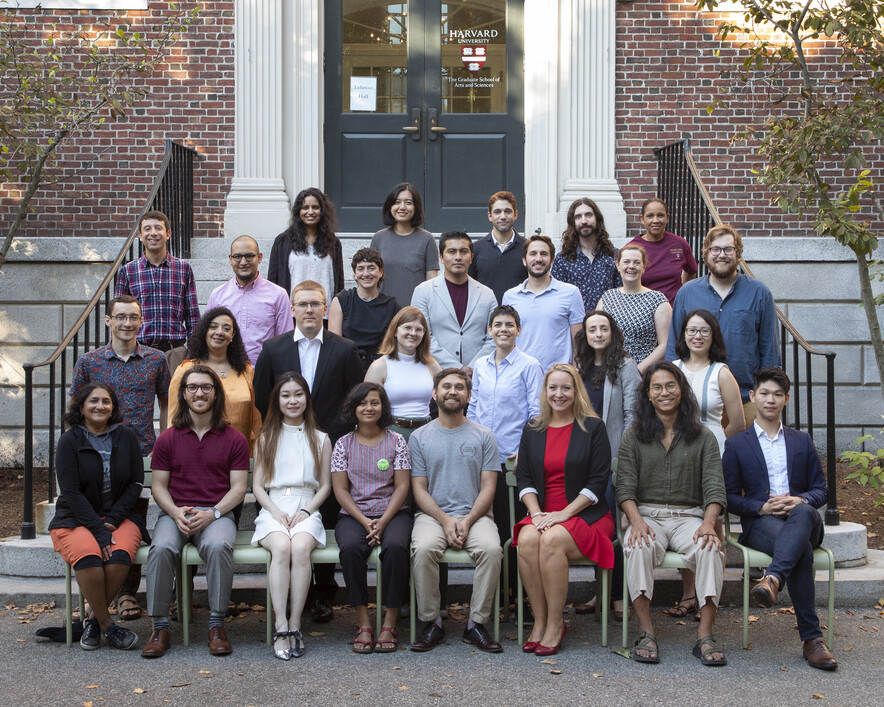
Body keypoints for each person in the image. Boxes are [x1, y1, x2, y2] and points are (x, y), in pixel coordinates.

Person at [254, 280, 362, 622]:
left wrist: (334, 436)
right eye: (303, 304)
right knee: (291, 533)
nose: (310, 310)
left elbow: (354, 398)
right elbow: (262, 396)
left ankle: (323, 594)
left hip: (330, 444)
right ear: (293, 309)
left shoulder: (344, 349)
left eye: (316, 304)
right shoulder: (273, 349)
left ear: (326, 307)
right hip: (285, 442)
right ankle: (285, 598)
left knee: (325, 518)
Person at [723, 367, 837, 671]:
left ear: (786, 399)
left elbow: (821, 490)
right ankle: (812, 639)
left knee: (801, 513)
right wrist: (761, 508)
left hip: (805, 520)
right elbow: (729, 496)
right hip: (763, 524)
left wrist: (800, 500)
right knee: (797, 552)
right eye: (764, 393)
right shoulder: (737, 445)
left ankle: (772, 578)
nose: (770, 399)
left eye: (777, 394)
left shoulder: (801, 440)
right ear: (753, 397)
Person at [616, 362, 727, 666]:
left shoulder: (703, 437)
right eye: (657, 387)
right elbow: (624, 487)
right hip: (647, 516)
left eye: (670, 386)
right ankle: (646, 631)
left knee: (710, 548)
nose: (664, 392)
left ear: (682, 391)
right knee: (637, 546)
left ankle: (704, 634)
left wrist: (708, 524)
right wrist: (636, 521)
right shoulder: (633, 437)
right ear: (648, 395)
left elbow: (715, 488)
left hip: (689, 516)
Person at [69, 294, 170, 622]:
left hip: (140, 455)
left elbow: (168, 403)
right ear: (109, 321)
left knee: (132, 524)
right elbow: (75, 409)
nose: (128, 323)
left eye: (134, 317)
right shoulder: (90, 362)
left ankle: (127, 593)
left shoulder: (156, 360)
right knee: (95, 523)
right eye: (121, 317)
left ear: (142, 321)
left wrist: (164, 441)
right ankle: (96, 596)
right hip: (95, 460)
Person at [142, 366, 250, 659]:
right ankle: (160, 626)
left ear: (216, 394)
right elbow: (159, 487)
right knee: (161, 547)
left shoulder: (234, 439)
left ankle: (216, 625)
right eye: (193, 387)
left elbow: (239, 489)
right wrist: (175, 512)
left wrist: (213, 513)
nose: (199, 393)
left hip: (216, 514)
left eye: (206, 387)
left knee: (218, 545)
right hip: (176, 513)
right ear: (184, 393)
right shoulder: (167, 438)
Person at [513, 363, 615, 656]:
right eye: (553, 388)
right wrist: (535, 514)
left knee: (551, 539)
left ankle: (557, 624)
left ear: (576, 391)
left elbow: (598, 481)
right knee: (529, 539)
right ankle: (540, 620)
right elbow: (524, 478)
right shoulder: (533, 429)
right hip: (543, 514)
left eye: (566, 388)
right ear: (545, 392)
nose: (559, 394)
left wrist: (563, 515)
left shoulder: (592, 427)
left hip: (586, 515)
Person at [409, 369, 503, 654]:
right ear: (434, 394)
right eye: (446, 386)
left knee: (490, 549)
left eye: (459, 387)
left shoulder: (484, 436)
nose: (453, 391)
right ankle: (432, 622)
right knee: (423, 548)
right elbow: (419, 489)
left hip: (476, 515)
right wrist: (446, 520)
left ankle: (476, 623)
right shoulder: (419, 437)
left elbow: (488, 488)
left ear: (469, 395)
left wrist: (468, 519)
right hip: (432, 516)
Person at [49, 383, 145, 651]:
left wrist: (113, 520)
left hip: (120, 515)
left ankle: (91, 621)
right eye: (93, 401)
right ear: (81, 407)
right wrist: (98, 529)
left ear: (112, 407)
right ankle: (107, 626)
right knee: (89, 556)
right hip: (75, 517)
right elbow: (70, 491)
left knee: (119, 555)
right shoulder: (70, 441)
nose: (100, 406)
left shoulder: (126, 437)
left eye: (106, 401)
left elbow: (136, 483)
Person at [664, 309, 745, 621]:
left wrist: (710, 448)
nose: (697, 336)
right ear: (683, 334)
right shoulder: (672, 368)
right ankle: (688, 595)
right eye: (691, 330)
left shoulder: (721, 372)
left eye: (704, 331)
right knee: (686, 518)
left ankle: (709, 597)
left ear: (713, 337)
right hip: (674, 455)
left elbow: (737, 422)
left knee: (713, 523)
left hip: (712, 455)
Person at [251, 372, 332, 660]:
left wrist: (306, 510)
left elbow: (325, 485)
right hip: (273, 506)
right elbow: (257, 486)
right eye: (286, 395)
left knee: (300, 547)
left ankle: (296, 623)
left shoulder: (320, 438)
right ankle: (280, 623)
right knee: (282, 547)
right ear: (277, 400)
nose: (292, 400)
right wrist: (274, 511)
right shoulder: (266, 437)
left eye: (298, 394)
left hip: (307, 505)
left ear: (306, 399)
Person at [466, 305, 543, 604]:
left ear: (519, 330)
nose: (503, 330)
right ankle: (496, 594)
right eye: (497, 325)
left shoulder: (529, 365)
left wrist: (523, 452)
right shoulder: (482, 365)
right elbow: (473, 410)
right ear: (489, 330)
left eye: (510, 325)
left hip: (513, 457)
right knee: (491, 525)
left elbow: (536, 414)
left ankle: (519, 593)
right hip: (483, 458)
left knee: (513, 525)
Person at [666, 223, 780, 425]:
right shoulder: (687, 293)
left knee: (745, 457)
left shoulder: (759, 293)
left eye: (728, 249)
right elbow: (674, 345)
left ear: (738, 254)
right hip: (695, 400)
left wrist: (766, 392)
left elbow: (768, 348)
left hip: (747, 399)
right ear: (706, 254)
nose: (722, 255)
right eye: (715, 249)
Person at [571, 309, 641, 618]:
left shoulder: (626, 366)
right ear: (584, 335)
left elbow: (633, 416)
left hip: (613, 461)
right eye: (592, 329)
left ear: (612, 332)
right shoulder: (578, 367)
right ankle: (599, 593)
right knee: (594, 529)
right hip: (582, 462)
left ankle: (616, 596)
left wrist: (622, 461)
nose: (598, 334)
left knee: (614, 530)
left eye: (603, 328)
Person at [332, 383, 412, 654]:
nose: (369, 408)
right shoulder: (343, 444)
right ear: (353, 408)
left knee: (396, 547)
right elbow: (341, 490)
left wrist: (384, 520)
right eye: (362, 403)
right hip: (354, 514)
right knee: (352, 548)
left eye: (374, 403)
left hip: (392, 513)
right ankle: (364, 622)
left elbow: (402, 487)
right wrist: (365, 521)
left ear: (383, 407)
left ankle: (389, 622)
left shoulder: (397, 441)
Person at [168, 307, 261, 452]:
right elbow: (173, 420)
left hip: (239, 456)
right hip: (195, 455)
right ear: (204, 331)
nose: (219, 332)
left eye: (226, 328)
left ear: (233, 334)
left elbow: (256, 422)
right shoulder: (185, 370)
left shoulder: (246, 371)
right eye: (213, 327)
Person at [114, 210, 200, 358]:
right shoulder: (128, 271)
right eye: (147, 229)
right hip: (138, 353)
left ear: (168, 234)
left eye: (158, 228)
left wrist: (194, 354)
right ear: (140, 236)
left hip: (174, 352)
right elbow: (117, 317)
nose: (153, 233)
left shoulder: (183, 269)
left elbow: (192, 316)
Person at [411, 231, 497, 377]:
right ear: (441, 258)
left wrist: (473, 367)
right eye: (451, 252)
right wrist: (456, 368)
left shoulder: (487, 294)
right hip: (436, 374)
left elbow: (493, 337)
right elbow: (423, 336)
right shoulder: (423, 292)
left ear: (471, 258)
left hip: (478, 375)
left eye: (464, 252)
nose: (458, 257)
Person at [205, 235, 293, 367]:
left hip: (264, 373)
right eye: (237, 257)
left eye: (249, 256)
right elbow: (207, 338)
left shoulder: (278, 295)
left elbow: (285, 341)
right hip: (227, 372)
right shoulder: (218, 295)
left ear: (260, 257)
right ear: (230, 259)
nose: (243, 262)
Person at [502, 234, 585, 371]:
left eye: (544, 254)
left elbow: (578, 344)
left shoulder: (571, 293)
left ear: (552, 261)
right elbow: (506, 341)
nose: (538, 259)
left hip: (558, 380)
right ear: (524, 260)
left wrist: (576, 376)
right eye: (533, 254)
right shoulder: (510, 296)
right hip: (520, 377)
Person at [365, 306, 441, 439]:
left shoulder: (432, 365)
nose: (413, 333)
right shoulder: (380, 366)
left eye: (419, 329)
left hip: (426, 434)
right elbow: (367, 407)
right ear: (395, 331)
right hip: (390, 433)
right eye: (407, 327)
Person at [267, 187, 345, 314]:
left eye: (315, 207)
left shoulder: (333, 243)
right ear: (298, 211)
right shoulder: (283, 241)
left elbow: (339, 283)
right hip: (292, 315)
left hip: (324, 314)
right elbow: (272, 282)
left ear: (323, 211)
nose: (310, 212)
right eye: (305, 208)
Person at [598, 243, 671, 374]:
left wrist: (635, 372)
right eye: (626, 262)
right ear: (617, 265)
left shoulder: (658, 300)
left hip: (643, 374)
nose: (631, 266)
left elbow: (665, 345)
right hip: (610, 372)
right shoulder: (607, 298)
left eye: (637, 262)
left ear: (644, 267)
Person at [328, 247, 401, 373]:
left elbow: (396, 345)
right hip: (348, 367)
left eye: (371, 268)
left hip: (381, 369)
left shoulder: (391, 305)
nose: (366, 274)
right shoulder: (341, 301)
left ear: (381, 272)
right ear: (355, 274)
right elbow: (335, 345)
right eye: (361, 269)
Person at [370, 182, 438, 308]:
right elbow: (370, 278)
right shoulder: (378, 238)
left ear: (416, 208)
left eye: (408, 202)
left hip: (415, 313)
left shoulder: (427, 239)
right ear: (389, 207)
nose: (402, 207)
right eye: (397, 202)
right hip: (382, 311)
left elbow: (432, 284)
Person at [551, 197, 621, 311]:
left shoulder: (614, 256)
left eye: (588, 215)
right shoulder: (563, 259)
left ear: (597, 218)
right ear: (572, 223)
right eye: (578, 217)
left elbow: (622, 293)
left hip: (606, 324)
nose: (584, 221)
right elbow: (556, 298)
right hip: (575, 325)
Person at [627, 198, 697, 303]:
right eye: (650, 216)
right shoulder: (632, 248)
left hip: (674, 310)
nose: (655, 220)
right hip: (645, 311)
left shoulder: (679, 244)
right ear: (642, 219)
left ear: (667, 217)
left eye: (660, 215)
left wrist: (683, 296)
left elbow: (691, 272)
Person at [468, 191, 527, 303]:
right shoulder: (476, 249)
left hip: (519, 317)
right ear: (490, 216)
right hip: (486, 316)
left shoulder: (528, 250)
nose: (503, 216)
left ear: (516, 215)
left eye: (508, 211)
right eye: (497, 212)